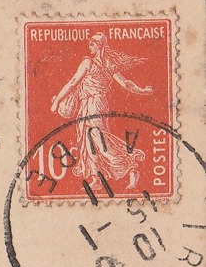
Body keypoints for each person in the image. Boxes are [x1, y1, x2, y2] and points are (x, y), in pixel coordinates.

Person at [50, 33, 153, 190]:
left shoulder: (88, 62)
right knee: (87, 139)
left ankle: (130, 165)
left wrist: (57, 101)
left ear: (98, 45)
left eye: (91, 44)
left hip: (93, 103)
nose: (89, 47)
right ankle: (96, 177)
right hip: (93, 103)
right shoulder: (109, 64)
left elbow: (72, 83)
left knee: (98, 138)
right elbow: (126, 83)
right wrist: (143, 91)